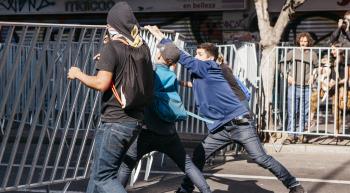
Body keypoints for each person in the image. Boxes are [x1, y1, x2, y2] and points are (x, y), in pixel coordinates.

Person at [146, 25, 305, 193]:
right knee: (199, 154)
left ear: (211, 58)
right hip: (221, 128)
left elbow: (184, 58)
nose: (195, 57)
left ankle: (293, 185)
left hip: (240, 124)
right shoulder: (201, 74)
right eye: (196, 54)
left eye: (199, 54)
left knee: (260, 158)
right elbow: (196, 84)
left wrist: (160, 37)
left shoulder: (209, 67)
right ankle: (186, 188)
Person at [67, 2, 153, 193]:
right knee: (100, 174)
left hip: (115, 122)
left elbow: (101, 83)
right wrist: (106, 60)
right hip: (134, 121)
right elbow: (127, 69)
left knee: (104, 178)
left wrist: (78, 73)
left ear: (112, 24)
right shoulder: (143, 48)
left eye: (108, 24)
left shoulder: (112, 47)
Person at [116, 40, 212, 193]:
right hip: (169, 132)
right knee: (187, 165)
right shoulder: (172, 76)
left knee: (127, 165)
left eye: (159, 52)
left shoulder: (152, 73)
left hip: (147, 131)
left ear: (163, 58)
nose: (156, 53)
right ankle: (206, 190)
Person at [283, 32, 318, 144]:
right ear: (299, 41)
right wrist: (287, 75)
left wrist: (314, 75)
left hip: (306, 87)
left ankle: (301, 134)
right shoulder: (293, 52)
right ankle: (290, 136)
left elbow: (317, 67)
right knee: (292, 112)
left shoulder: (313, 54)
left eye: (305, 41)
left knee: (304, 112)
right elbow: (282, 63)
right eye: (301, 41)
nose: (303, 43)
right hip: (293, 86)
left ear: (308, 42)